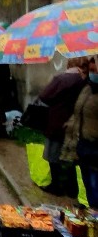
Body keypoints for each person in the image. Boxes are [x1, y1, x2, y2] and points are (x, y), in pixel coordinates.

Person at [39, 58, 88, 197]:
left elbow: (44, 95)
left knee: (53, 155)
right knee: (69, 156)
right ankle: (72, 189)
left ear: (69, 64)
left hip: (57, 120)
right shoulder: (84, 82)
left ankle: (56, 186)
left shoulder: (62, 78)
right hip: (74, 122)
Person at [62, 58, 98, 207]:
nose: (92, 74)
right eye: (91, 71)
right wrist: (70, 125)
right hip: (83, 146)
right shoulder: (88, 88)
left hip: (96, 148)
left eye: (95, 71)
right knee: (88, 184)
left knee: (95, 186)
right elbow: (79, 112)